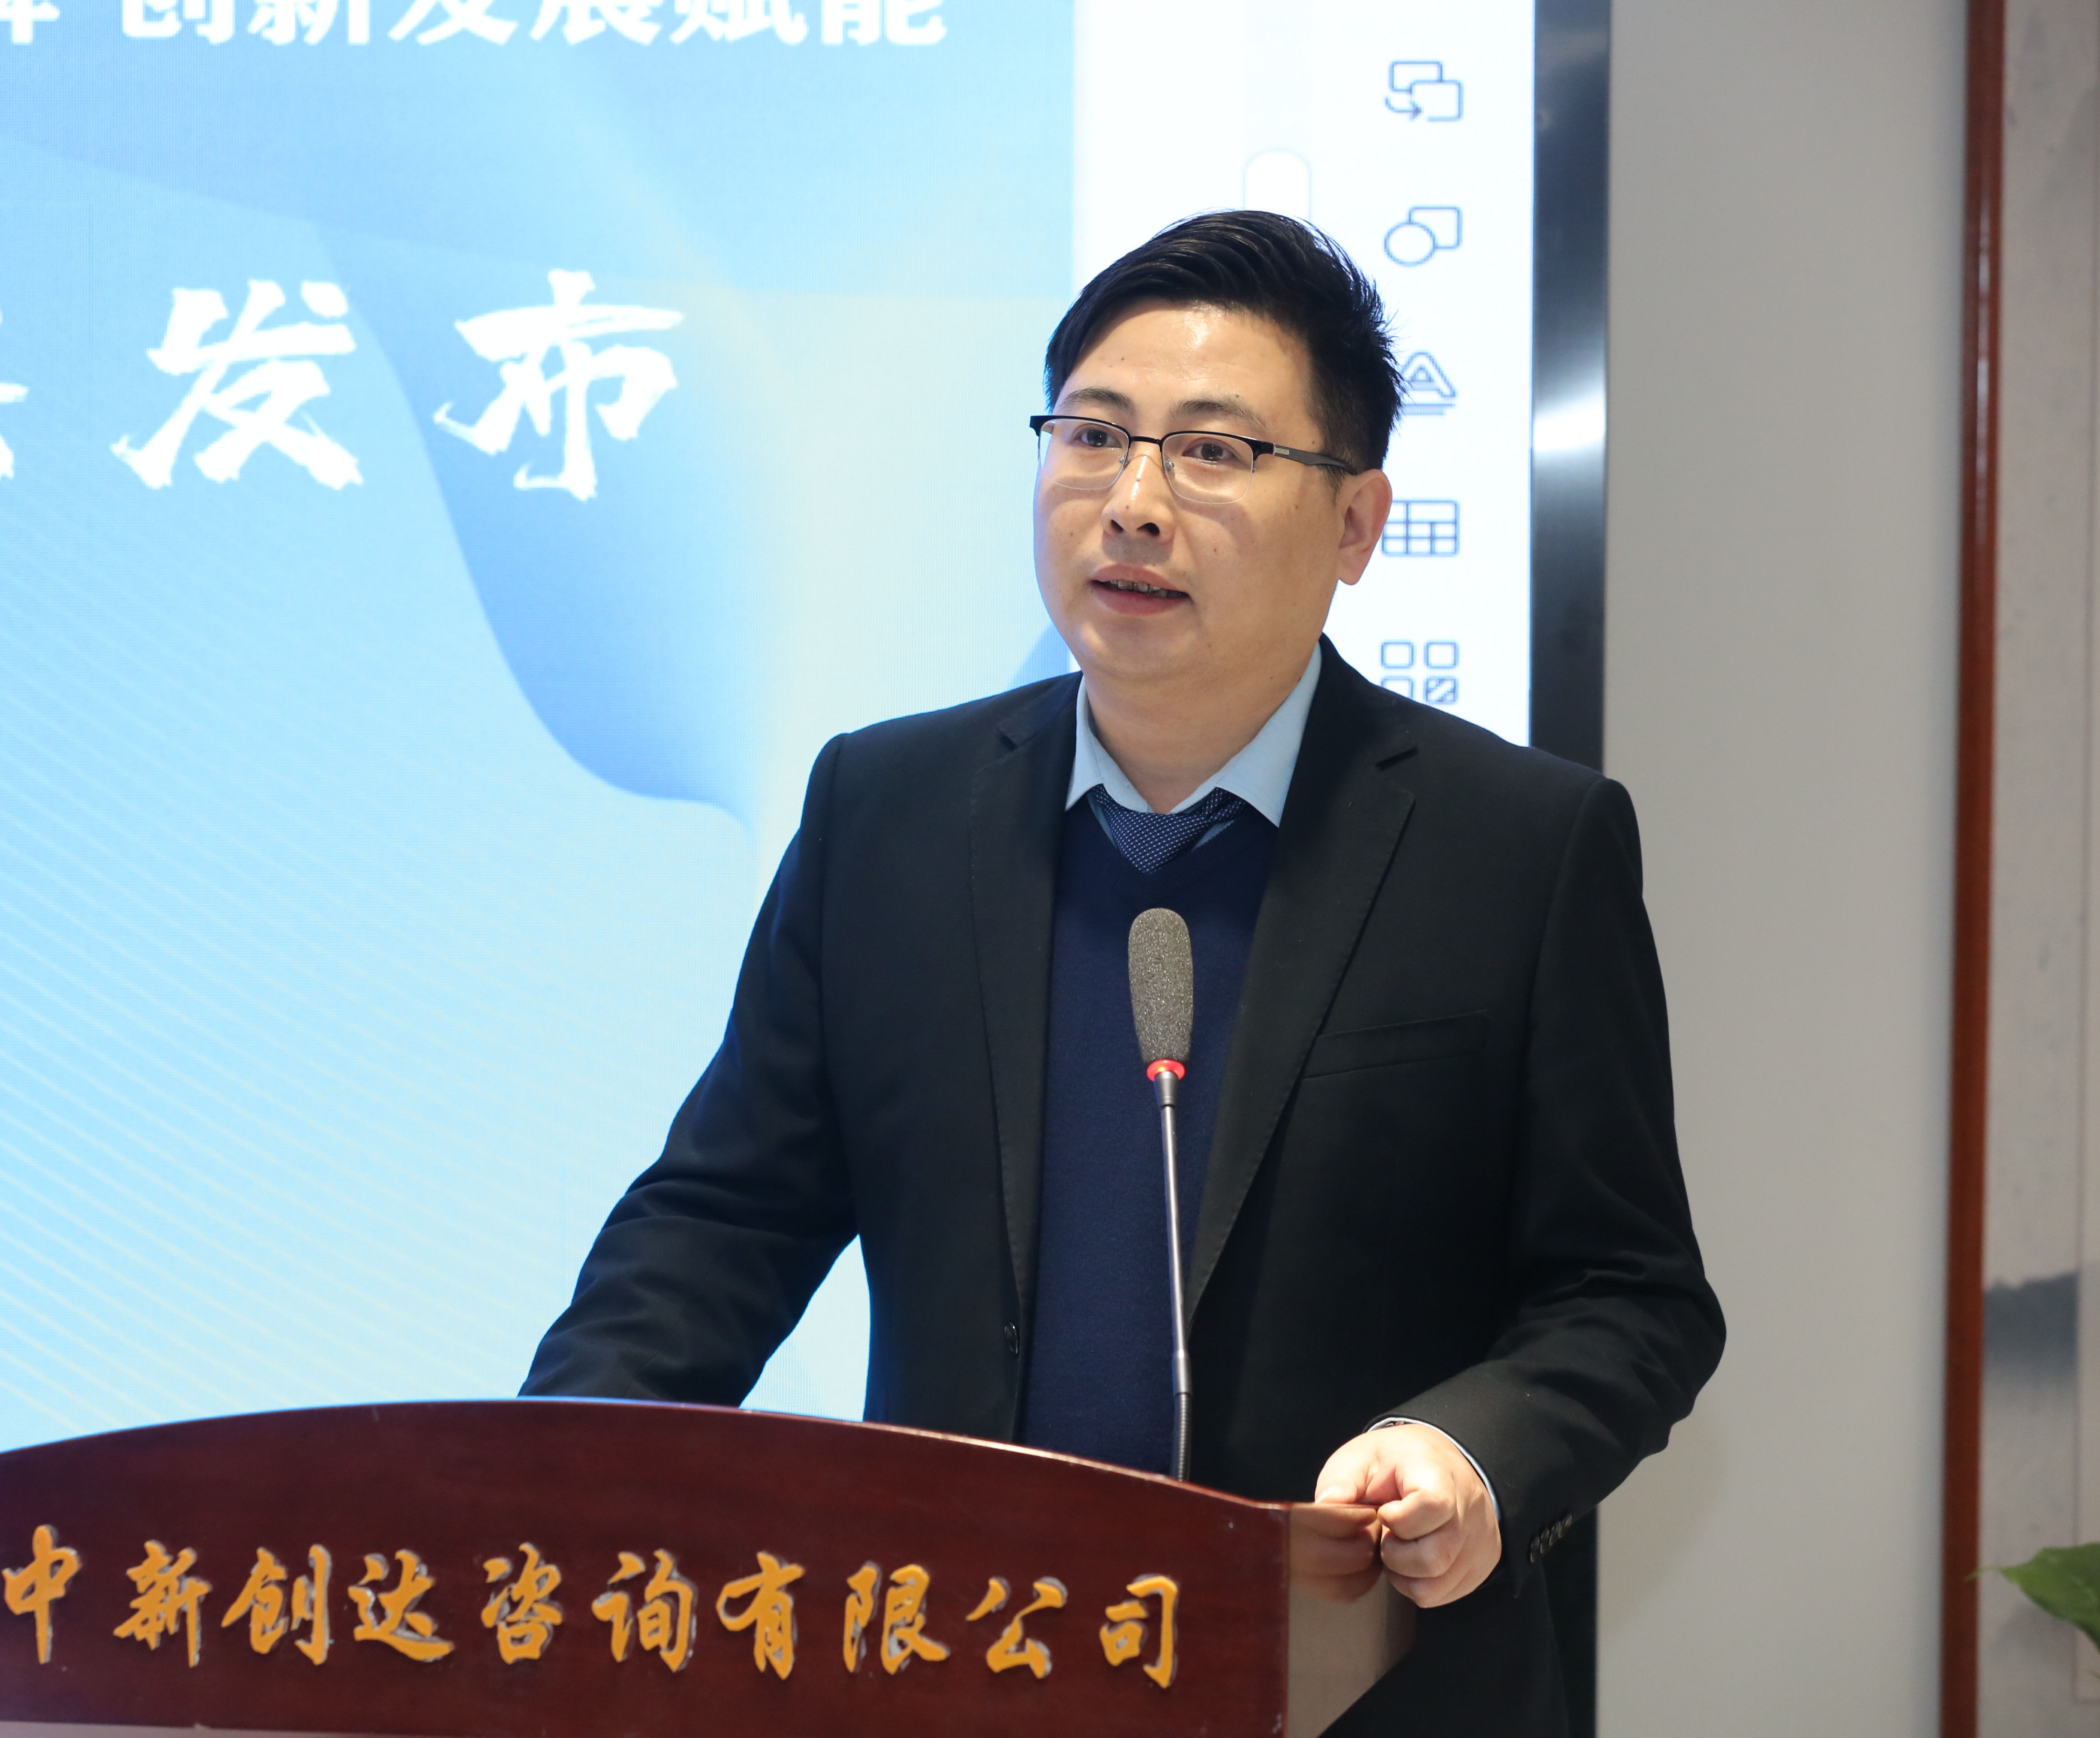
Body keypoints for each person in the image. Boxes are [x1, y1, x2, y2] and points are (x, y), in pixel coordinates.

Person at [521, 211, 1723, 1735]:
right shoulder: (891, 811)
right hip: (962, 1676)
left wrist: (1471, 1453)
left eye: (1215, 452)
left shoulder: (1517, 847)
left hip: (1361, 1689)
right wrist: (554, 1467)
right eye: (1091, 436)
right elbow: (727, 1216)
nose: (1134, 504)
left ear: (1357, 525)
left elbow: (1628, 1296)